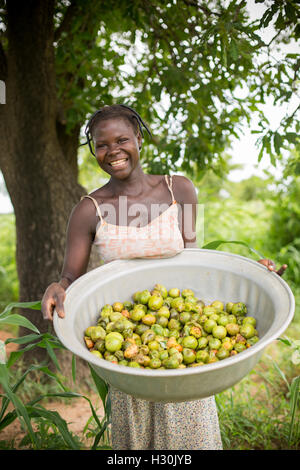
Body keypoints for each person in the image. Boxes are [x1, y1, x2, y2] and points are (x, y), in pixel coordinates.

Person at [41, 104, 287, 450]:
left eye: (122, 139)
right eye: (102, 144)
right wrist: (59, 285)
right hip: (127, 352)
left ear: (139, 139)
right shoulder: (88, 210)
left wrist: (256, 271)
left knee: (193, 440)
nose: (113, 151)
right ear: (94, 150)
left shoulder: (179, 190)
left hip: (183, 345)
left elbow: (196, 262)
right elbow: (70, 276)